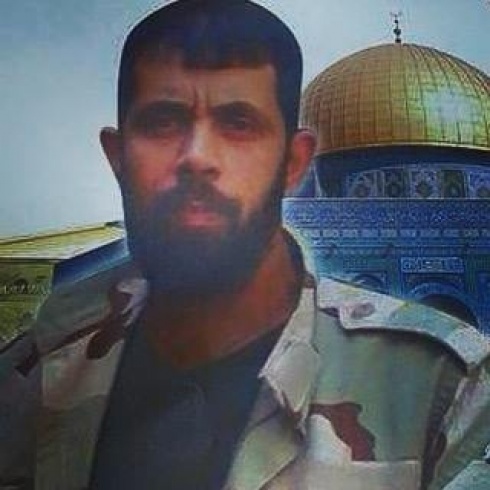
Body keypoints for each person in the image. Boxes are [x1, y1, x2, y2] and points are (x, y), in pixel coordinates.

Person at [1, 1, 489, 489]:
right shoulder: (33, 375)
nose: (197, 158)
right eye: (164, 121)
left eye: (238, 124)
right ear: (118, 156)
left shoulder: (448, 388)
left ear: (294, 162)